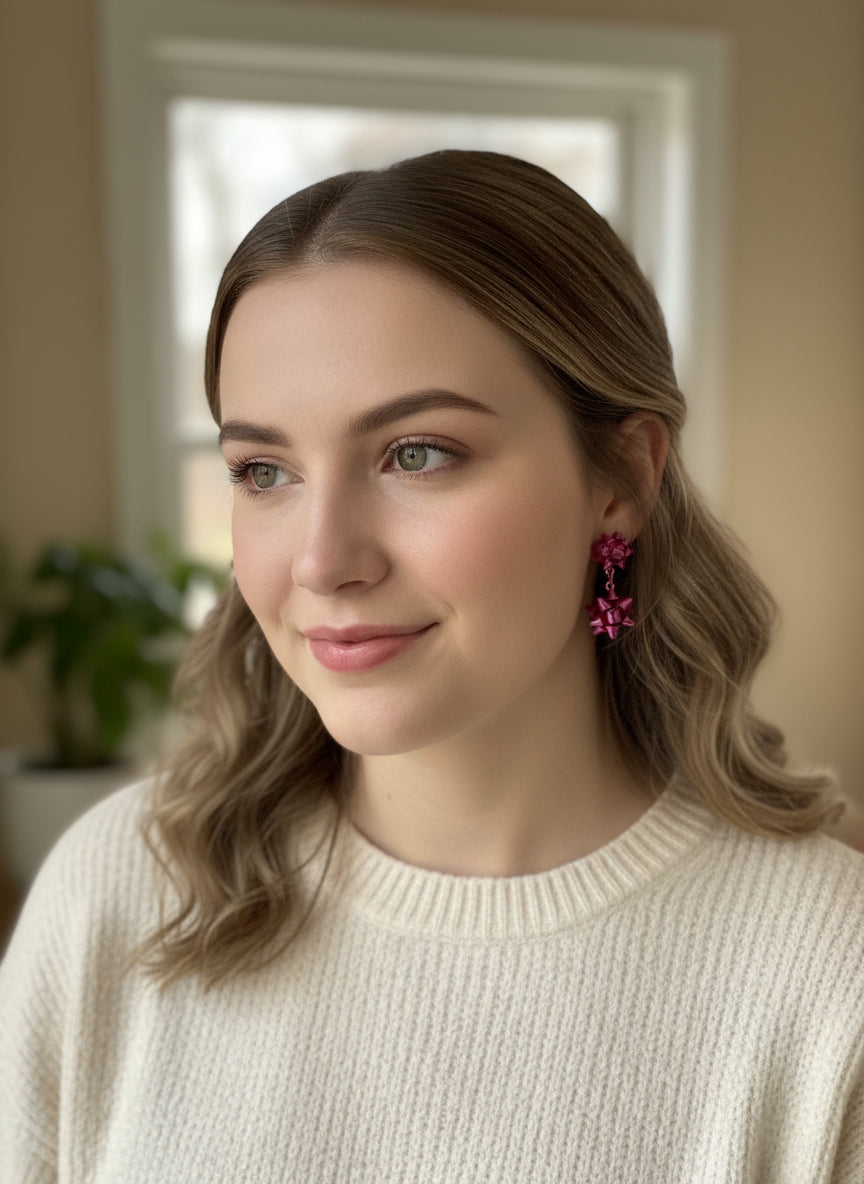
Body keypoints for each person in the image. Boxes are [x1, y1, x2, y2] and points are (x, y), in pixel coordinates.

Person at [2, 149, 862, 1182]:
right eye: (263, 472)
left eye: (416, 452)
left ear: (622, 478)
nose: (322, 559)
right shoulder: (120, 891)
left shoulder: (830, 971)